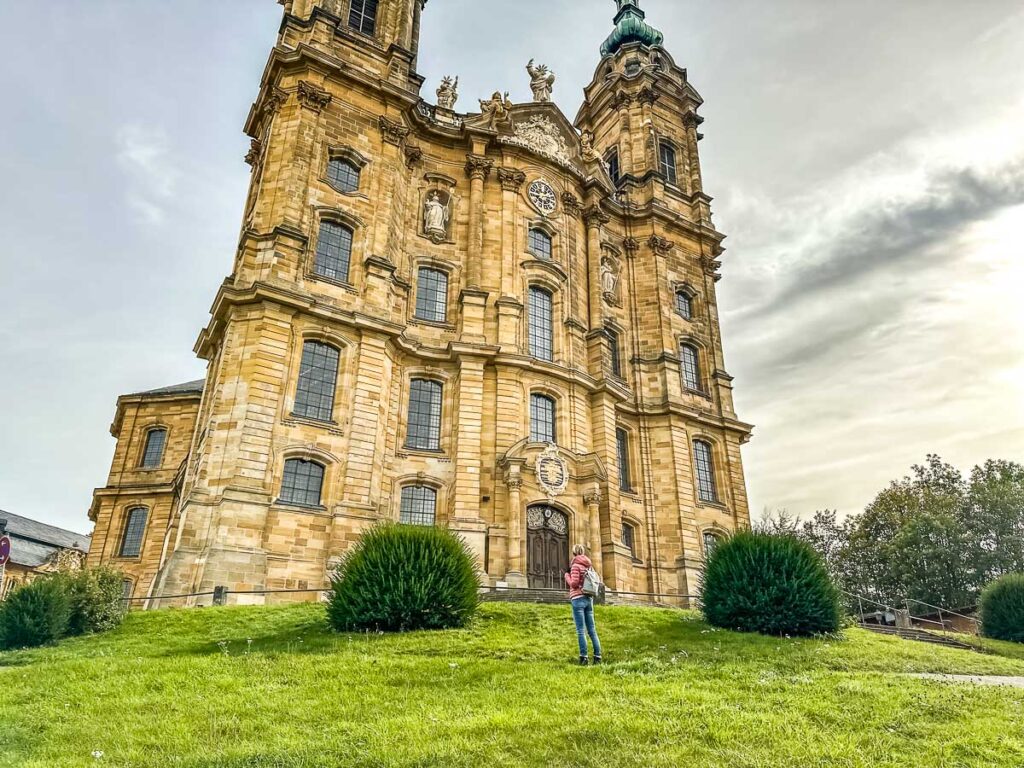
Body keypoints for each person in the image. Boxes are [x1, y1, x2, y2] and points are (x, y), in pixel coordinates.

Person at [565, 544, 602, 666]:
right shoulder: (589, 566)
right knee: (592, 630)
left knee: (581, 630)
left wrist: (567, 576)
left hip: (578, 598)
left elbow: (574, 584)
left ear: (574, 553)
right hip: (589, 598)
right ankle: (597, 657)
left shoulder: (575, 565)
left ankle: (584, 657)